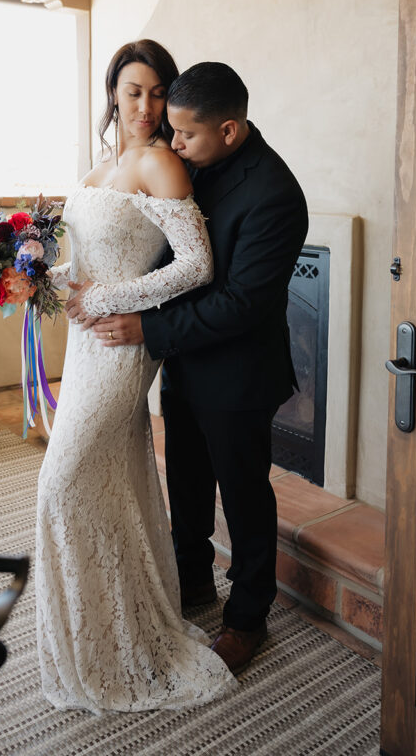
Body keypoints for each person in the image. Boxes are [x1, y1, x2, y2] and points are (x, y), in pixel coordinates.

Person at [36, 41, 236, 713]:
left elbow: (194, 267)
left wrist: (106, 300)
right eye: (132, 92)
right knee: (109, 480)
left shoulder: (160, 163)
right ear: (112, 94)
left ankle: (121, 634)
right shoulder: (102, 165)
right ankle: (109, 629)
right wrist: (45, 276)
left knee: (61, 482)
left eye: (156, 93)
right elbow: (94, 256)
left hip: (122, 346)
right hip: (84, 340)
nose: (146, 107)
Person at [89, 62, 308, 676]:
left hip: (238, 375)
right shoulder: (198, 165)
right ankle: (192, 583)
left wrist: (148, 328)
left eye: (185, 134)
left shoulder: (275, 195)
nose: (173, 142)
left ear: (230, 129)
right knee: (184, 482)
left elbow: (241, 302)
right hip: (186, 362)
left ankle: (247, 618)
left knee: (243, 497)